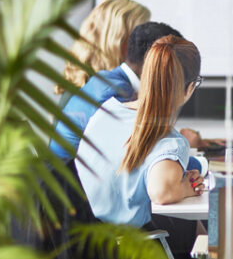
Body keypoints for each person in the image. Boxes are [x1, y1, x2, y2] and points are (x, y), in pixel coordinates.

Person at [77, 35, 204, 257]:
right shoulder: (170, 141)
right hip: (125, 246)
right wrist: (186, 187)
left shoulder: (106, 111)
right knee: (201, 231)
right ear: (190, 88)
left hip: (84, 239)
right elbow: (161, 192)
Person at [50, 21, 222, 160]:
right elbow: (137, 157)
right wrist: (186, 147)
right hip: (74, 192)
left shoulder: (107, 78)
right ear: (153, 59)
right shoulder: (118, 93)